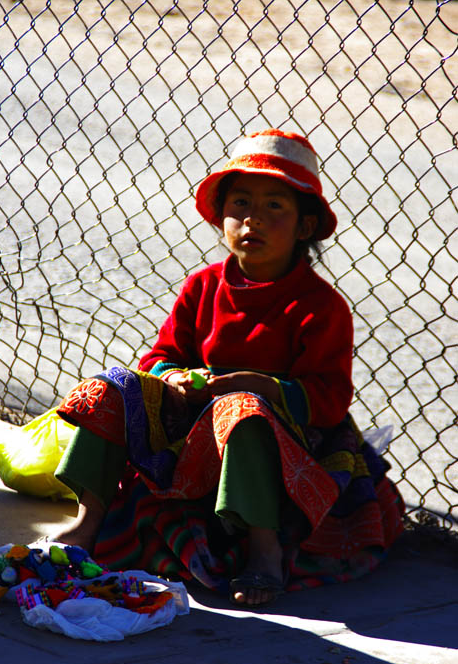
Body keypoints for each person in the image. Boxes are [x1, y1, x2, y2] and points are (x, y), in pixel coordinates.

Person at [51, 129, 404, 606]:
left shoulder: (321, 306)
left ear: (305, 226)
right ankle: (88, 522)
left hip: (285, 444)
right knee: (112, 386)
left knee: (242, 408)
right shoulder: (203, 285)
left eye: (274, 206)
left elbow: (330, 399)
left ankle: (264, 548)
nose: (252, 218)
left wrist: (267, 389)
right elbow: (160, 356)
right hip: (194, 429)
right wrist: (173, 377)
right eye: (240, 203)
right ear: (221, 218)